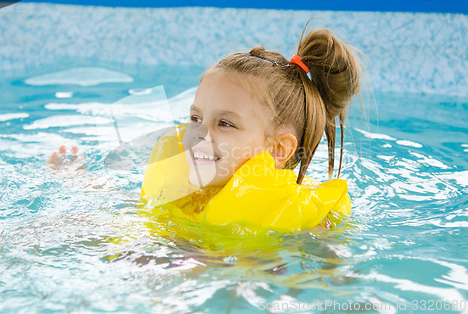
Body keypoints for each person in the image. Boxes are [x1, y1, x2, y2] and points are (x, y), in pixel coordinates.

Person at [49, 27, 362, 232]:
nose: (199, 133)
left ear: (279, 149)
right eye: (196, 118)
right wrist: (82, 180)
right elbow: (136, 203)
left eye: (225, 123)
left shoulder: (305, 218)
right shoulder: (187, 184)